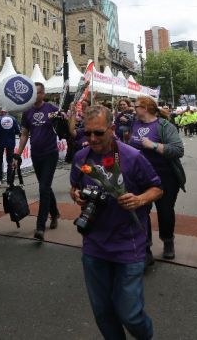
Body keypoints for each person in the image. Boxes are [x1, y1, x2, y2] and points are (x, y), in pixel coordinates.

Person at [70, 106, 163, 340]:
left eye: (99, 133)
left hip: (128, 244)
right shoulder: (81, 157)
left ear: (112, 129)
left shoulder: (132, 156)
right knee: (102, 311)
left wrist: (139, 199)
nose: (92, 138)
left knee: (130, 314)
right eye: (87, 133)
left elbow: (157, 188)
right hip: (94, 244)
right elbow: (74, 187)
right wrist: (76, 195)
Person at [128, 96, 185, 263]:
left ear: (145, 108)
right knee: (140, 211)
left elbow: (178, 150)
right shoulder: (135, 124)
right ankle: (145, 247)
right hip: (140, 176)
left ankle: (168, 241)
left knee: (165, 212)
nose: (133, 109)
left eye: (136, 106)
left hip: (164, 176)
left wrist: (153, 145)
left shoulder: (165, 126)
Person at [17, 82, 61, 241]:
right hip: (36, 155)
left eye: (37, 93)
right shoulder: (27, 111)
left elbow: (61, 128)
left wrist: (61, 118)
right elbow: (24, 134)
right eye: (32, 93)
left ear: (43, 94)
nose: (34, 95)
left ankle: (40, 226)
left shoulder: (52, 109)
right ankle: (55, 213)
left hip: (50, 154)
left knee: (43, 188)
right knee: (45, 186)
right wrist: (17, 155)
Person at [0, 108, 21, 187]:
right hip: (11, 143)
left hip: (1, 143)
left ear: (1, 112)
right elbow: (18, 131)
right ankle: (9, 182)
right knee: (10, 163)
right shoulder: (13, 119)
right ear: (7, 112)